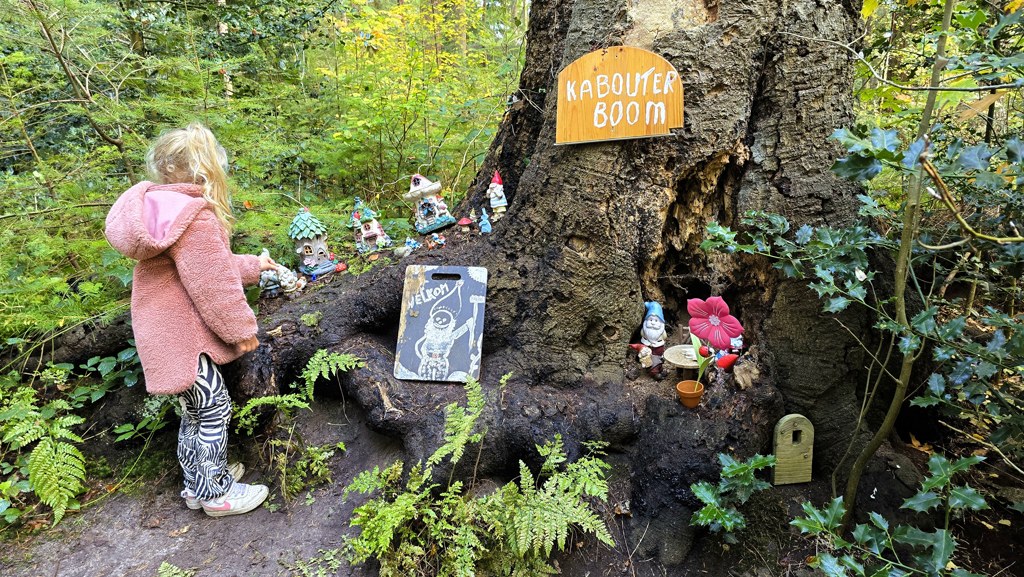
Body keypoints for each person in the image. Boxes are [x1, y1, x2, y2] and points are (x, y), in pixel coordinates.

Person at [105, 123, 277, 517]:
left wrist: (255, 265)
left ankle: (197, 483)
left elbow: (210, 264)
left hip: (162, 334)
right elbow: (211, 281)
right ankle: (217, 491)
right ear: (204, 169)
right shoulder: (193, 214)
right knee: (214, 409)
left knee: (196, 411)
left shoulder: (162, 212)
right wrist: (242, 330)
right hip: (183, 337)